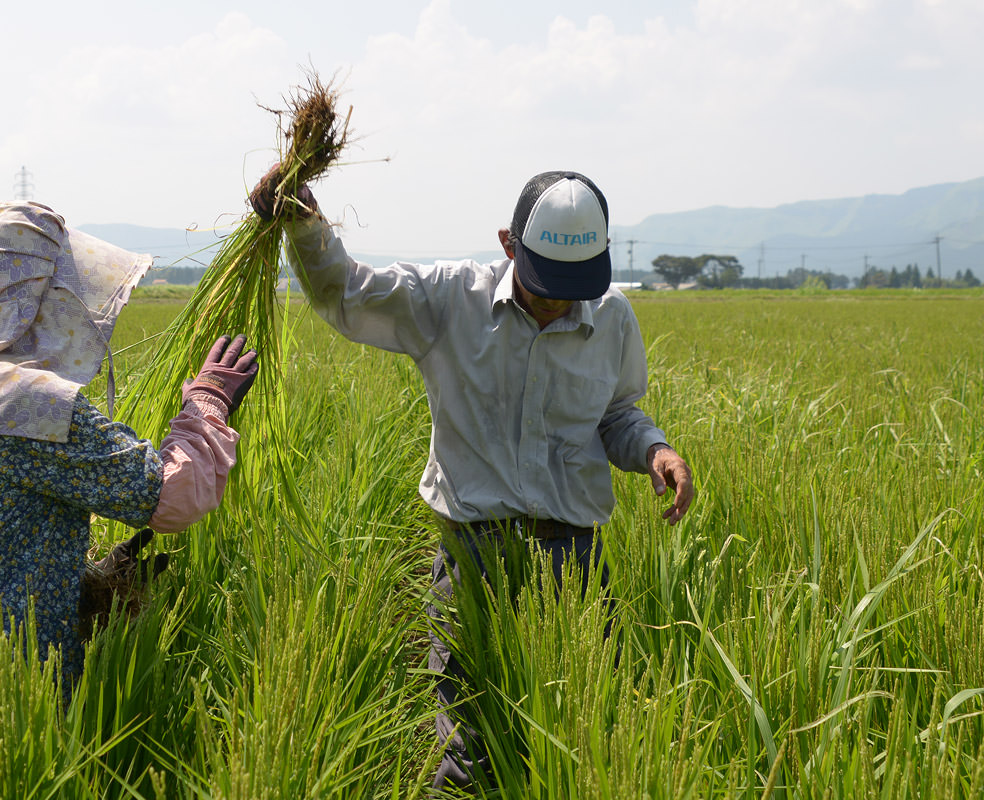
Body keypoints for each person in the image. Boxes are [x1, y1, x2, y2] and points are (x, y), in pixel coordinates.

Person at [250, 168, 695, 790]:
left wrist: (654, 449)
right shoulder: (448, 299)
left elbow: (616, 414)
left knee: (589, 729)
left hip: (573, 555)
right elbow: (345, 293)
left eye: (572, 287)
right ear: (510, 245)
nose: (558, 301)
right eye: (546, 284)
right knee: (466, 737)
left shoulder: (613, 318)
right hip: (473, 553)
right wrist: (304, 223)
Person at [0, 201, 258, 703]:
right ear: (40, 302)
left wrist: (89, 580)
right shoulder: (27, 401)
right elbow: (173, 498)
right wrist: (207, 405)